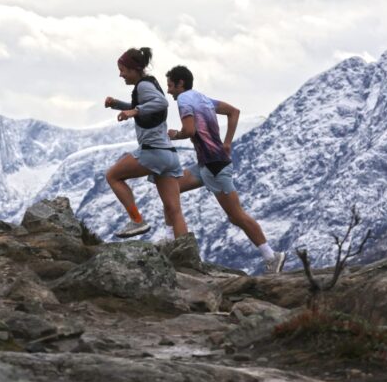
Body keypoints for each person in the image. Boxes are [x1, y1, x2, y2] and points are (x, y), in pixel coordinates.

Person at [166, 65, 286, 274]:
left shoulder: (185, 100)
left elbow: (189, 130)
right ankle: (168, 240)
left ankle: (271, 256)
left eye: (170, 86)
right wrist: (227, 142)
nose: (169, 91)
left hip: (215, 166)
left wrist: (175, 135)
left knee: (236, 215)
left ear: (180, 84)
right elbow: (234, 112)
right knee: (169, 187)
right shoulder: (204, 99)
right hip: (206, 164)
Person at [104, 47, 188, 240]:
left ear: (134, 69)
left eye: (123, 70)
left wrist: (133, 112)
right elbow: (146, 107)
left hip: (153, 151)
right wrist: (117, 104)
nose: (120, 74)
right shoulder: (150, 84)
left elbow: (161, 103)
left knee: (113, 176)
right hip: (169, 154)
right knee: (174, 210)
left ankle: (136, 220)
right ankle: (186, 251)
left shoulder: (143, 86)